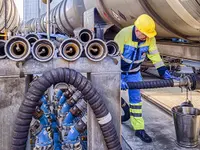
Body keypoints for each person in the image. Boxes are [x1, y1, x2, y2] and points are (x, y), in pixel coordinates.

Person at [114, 14, 178, 143]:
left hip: (134, 73)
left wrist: (163, 71)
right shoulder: (123, 35)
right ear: (137, 30)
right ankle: (111, 127)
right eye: (145, 35)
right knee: (111, 98)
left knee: (136, 102)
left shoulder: (149, 38)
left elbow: (155, 56)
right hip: (118, 72)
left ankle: (139, 129)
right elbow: (113, 58)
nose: (147, 38)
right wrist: (116, 76)